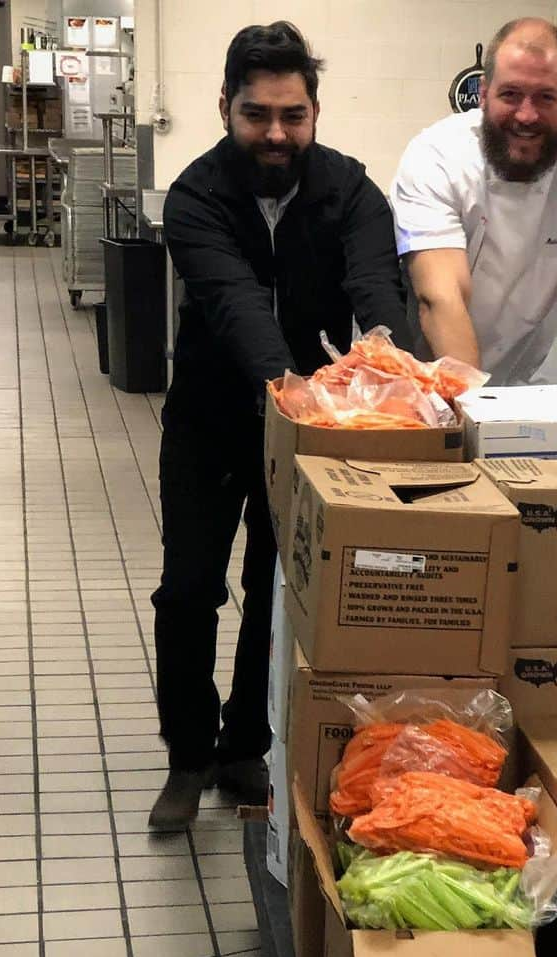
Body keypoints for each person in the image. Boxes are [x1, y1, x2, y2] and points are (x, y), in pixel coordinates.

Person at [150, 22, 412, 831]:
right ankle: (188, 756)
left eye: (292, 115)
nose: (275, 133)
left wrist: (390, 362)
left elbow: (375, 285)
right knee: (190, 588)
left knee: (279, 589)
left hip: (313, 430)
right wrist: (291, 388)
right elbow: (230, 302)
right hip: (211, 420)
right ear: (225, 106)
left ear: (315, 110)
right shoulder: (195, 197)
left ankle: (244, 748)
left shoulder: (353, 192)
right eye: (257, 114)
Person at [390, 17, 557, 387]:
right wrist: (477, 412)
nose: (526, 115)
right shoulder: (436, 158)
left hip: (535, 380)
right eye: (510, 95)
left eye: (545, 97)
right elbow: (441, 297)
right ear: (483, 92)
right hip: (435, 382)